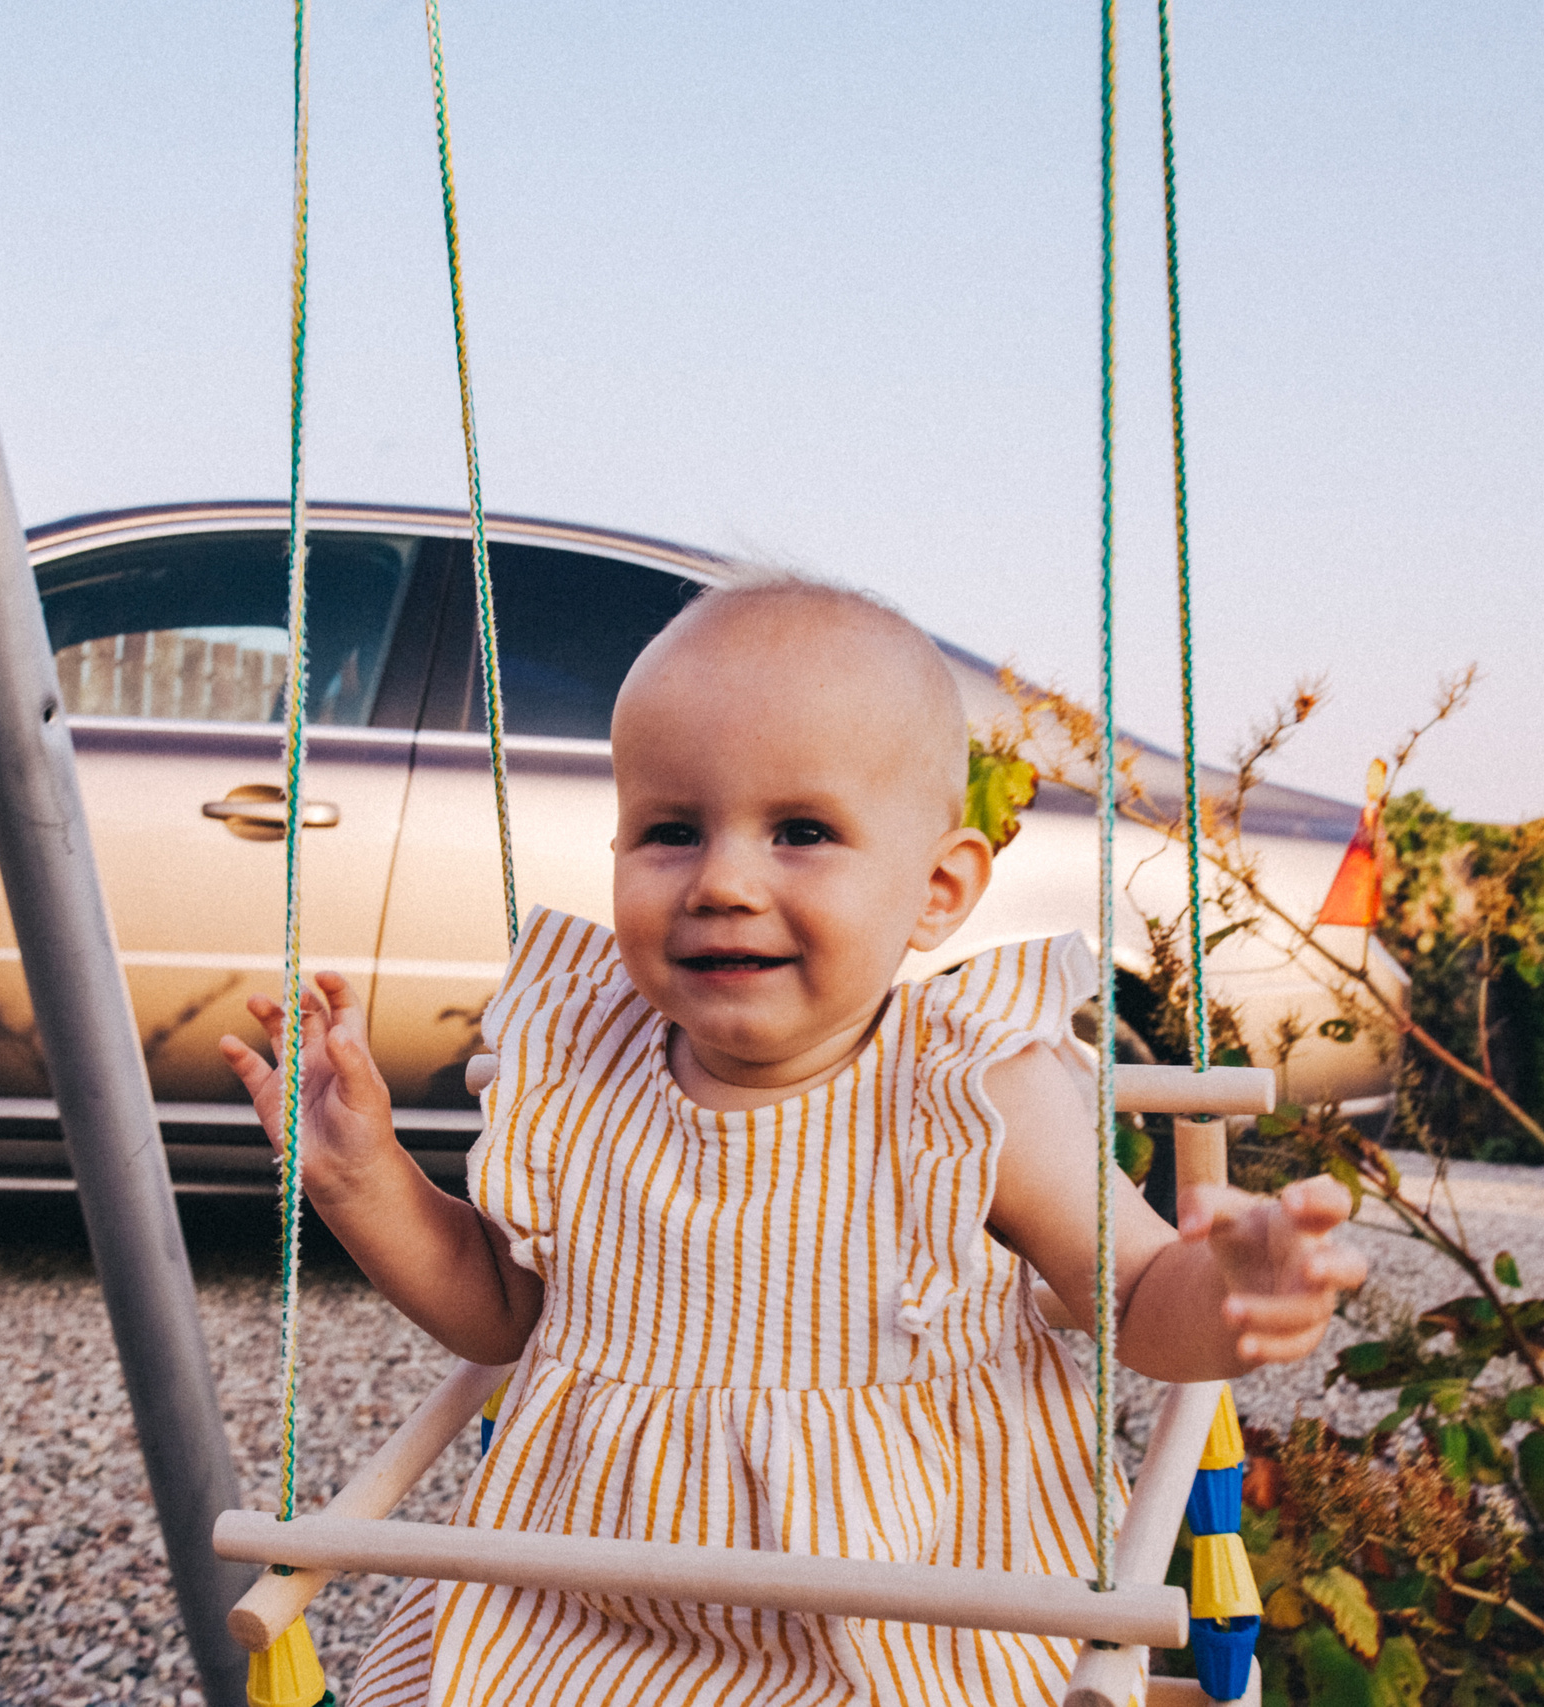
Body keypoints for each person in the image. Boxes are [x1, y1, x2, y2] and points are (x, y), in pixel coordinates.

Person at [222, 574, 1367, 1707]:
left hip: (895, 1623)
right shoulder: (580, 1071)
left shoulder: (971, 1092)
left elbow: (1130, 1302)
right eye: (670, 831)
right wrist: (362, 1176)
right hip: (584, 1610)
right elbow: (500, 1311)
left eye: (801, 831)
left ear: (935, 888)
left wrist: (1225, 1295)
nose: (722, 881)